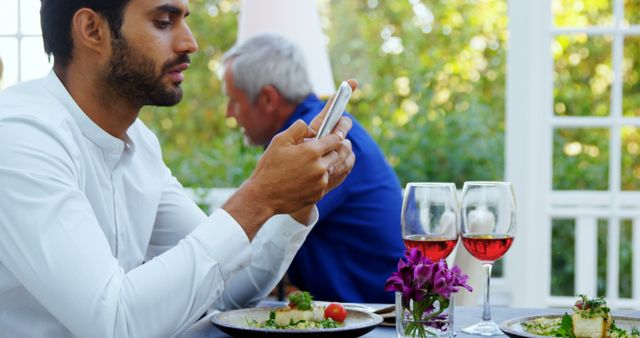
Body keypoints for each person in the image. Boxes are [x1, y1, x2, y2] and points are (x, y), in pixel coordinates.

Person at [0, 1, 355, 337]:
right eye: (163, 22)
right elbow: (115, 324)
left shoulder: (140, 144)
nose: (191, 43)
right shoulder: (20, 136)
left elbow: (228, 289)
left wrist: (295, 199)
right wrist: (260, 195)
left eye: (184, 19)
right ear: (93, 30)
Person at [223, 33, 405, 303]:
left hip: (380, 317)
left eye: (234, 100)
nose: (229, 113)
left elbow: (246, 243)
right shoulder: (310, 133)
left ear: (268, 99)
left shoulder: (317, 143)